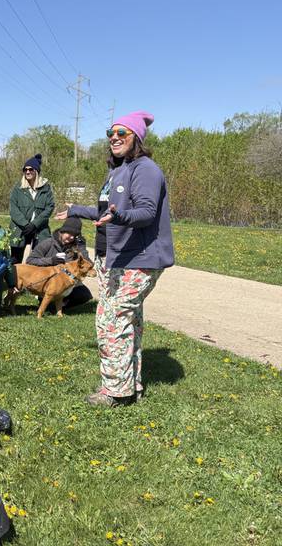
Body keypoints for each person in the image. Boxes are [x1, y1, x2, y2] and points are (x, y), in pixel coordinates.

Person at [59, 111, 174, 407]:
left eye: (122, 133)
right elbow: (105, 212)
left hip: (141, 258)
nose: (114, 137)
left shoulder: (145, 169)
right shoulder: (116, 171)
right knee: (128, 320)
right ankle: (130, 384)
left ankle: (116, 392)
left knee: (111, 319)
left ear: (136, 138)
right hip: (118, 256)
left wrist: (121, 216)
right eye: (111, 132)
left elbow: (146, 212)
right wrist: (75, 210)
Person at [25, 217, 93, 311]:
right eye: (69, 233)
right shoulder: (47, 243)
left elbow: (89, 265)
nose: (72, 237)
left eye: (75, 235)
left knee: (84, 295)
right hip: (47, 283)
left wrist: (82, 248)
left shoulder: (75, 247)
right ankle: (48, 304)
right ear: (62, 231)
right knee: (51, 294)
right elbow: (30, 261)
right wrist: (51, 261)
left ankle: (58, 307)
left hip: (67, 282)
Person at [9, 153, 55, 263]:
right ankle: (14, 279)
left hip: (39, 229)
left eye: (31, 169)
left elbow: (49, 207)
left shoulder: (46, 188)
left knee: (39, 259)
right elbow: (13, 208)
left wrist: (34, 224)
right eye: (25, 170)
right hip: (20, 229)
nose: (28, 172)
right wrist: (25, 225)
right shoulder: (18, 188)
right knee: (15, 260)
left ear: (37, 171)